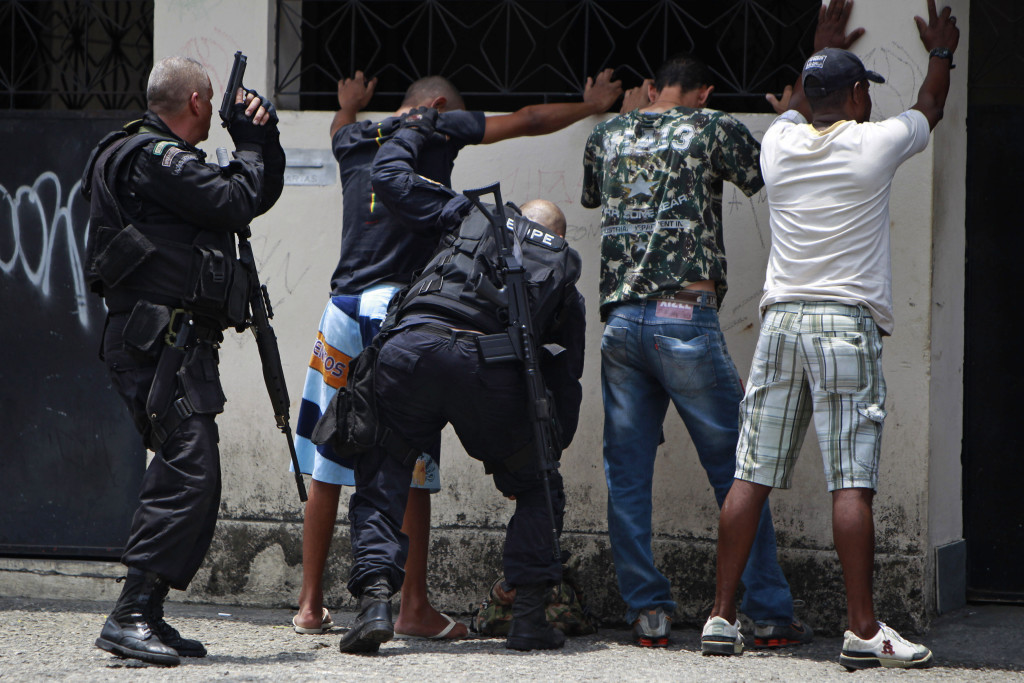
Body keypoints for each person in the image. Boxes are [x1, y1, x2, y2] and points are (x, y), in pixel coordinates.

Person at [291, 70, 621, 639]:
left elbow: (390, 175)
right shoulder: (563, 276)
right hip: (487, 371)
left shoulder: (468, 214)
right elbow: (564, 374)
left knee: (379, 465)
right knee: (540, 486)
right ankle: (526, 618)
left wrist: (392, 125)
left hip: (400, 343)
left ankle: (372, 605)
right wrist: (545, 447)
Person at [578, 3, 868, 648]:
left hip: (620, 323)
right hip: (684, 317)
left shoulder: (608, 135)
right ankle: (765, 610)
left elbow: (594, 198)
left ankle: (648, 612)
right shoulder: (713, 126)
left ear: (653, 89)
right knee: (740, 468)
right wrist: (790, 103)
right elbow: (773, 170)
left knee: (626, 474)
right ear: (705, 92)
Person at [704, 0, 958, 670]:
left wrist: (814, 47)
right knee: (852, 482)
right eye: (863, 89)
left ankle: (721, 616)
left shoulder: (778, 144)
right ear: (855, 96)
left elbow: (792, 102)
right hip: (844, 323)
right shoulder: (873, 144)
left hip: (782, 320)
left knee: (750, 472)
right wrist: (943, 52)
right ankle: (863, 626)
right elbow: (929, 108)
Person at [80, 56, 284, 666]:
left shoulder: (157, 159)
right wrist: (248, 142)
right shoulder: (154, 156)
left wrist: (262, 140)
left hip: (172, 344)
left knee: (192, 472)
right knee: (190, 469)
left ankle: (149, 611)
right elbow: (233, 199)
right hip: (155, 343)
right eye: (211, 104)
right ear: (197, 101)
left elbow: (250, 197)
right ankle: (130, 615)